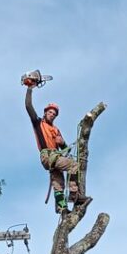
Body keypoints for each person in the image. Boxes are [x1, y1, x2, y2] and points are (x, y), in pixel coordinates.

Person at [25, 85, 84, 213]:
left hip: (55, 156)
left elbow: (66, 150)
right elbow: (28, 106)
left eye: (54, 114)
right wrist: (30, 88)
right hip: (48, 156)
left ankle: (62, 208)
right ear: (45, 112)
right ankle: (74, 194)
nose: (52, 115)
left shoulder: (56, 130)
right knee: (74, 165)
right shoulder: (38, 123)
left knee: (58, 184)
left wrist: (62, 143)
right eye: (50, 112)